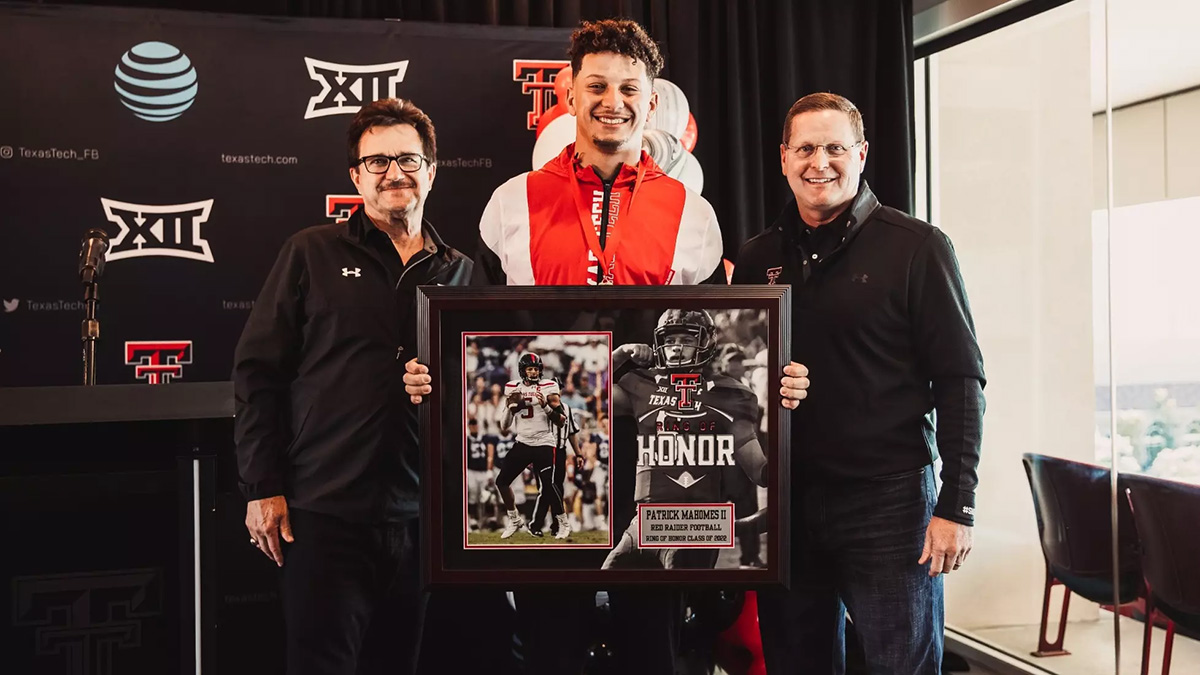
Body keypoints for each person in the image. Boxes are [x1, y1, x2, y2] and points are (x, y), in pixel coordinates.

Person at [403, 19, 810, 675]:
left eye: (628, 87)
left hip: (652, 449)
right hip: (548, 446)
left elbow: (714, 341)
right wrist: (437, 370)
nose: (611, 100)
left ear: (651, 103)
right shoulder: (512, 201)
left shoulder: (691, 211)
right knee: (550, 643)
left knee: (653, 644)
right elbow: (476, 332)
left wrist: (769, 376)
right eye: (596, 84)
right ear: (569, 94)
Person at [732, 92, 985, 674]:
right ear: (783, 158)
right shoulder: (756, 257)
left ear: (862, 154)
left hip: (889, 504)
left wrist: (958, 504)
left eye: (834, 147)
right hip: (787, 505)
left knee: (903, 666)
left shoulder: (918, 247)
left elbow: (962, 380)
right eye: (805, 148)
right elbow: (738, 380)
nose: (819, 161)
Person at [232, 98, 472, 675]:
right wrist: (262, 485)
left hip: (422, 521)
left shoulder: (464, 270)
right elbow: (257, 373)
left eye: (409, 160)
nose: (394, 173)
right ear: (355, 176)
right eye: (377, 161)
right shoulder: (311, 252)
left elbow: (481, 388)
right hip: (321, 514)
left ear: (432, 170)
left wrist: (449, 385)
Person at [603, 309, 765, 570]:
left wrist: (781, 474)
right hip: (644, 521)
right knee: (610, 585)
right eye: (670, 341)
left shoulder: (730, 392)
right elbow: (592, 396)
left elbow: (755, 462)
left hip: (696, 522)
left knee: (675, 596)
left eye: (686, 341)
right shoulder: (640, 382)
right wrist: (620, 354)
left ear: (705, 342)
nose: (676, 348)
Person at [494, 352, 571, 540]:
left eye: (536, 369)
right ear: (522, 370)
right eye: (530, 368)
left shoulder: (549, 387)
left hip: (544, 441)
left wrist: (545, 406)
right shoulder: (513, 388)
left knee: (548, 484)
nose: (533, 372)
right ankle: (514, 519)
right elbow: (504, 426)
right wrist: (511, 408)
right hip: (523, 441)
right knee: (501, 481)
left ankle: (563, 522)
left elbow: (561, 421)